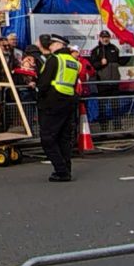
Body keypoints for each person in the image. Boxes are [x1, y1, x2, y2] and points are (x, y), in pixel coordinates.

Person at [37, 34, 79, 182]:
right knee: (63, 138)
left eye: (53, 43)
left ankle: (61, 170)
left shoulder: (55, 59)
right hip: (69, 101)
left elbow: (43, 82)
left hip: (52, 101)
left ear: (60, 45)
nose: (51, 46)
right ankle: (66, 169)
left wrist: (39, 95)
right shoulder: (73, 61)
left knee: (47, 138)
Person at [90, 30, 121, 129]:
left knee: (115, 105)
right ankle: (104, 127)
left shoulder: (114, 48)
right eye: (103, 37)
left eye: (107, 37)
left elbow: (120, 61)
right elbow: (93, 65)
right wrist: (101, 63)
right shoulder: (96, 50)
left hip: (114, 82)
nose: (105, 39)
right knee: (102, 106)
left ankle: (117, 126)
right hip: (102, 82)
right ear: (100, 38)